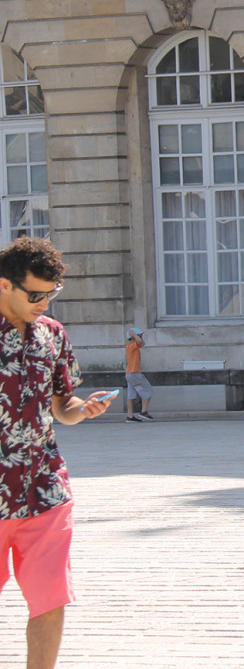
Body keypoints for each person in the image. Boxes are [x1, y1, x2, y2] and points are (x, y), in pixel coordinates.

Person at [0, 236, 113, 669]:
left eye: (52, 294)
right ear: (5, 285)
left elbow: (62, 404)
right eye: (36, 294)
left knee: (49, 599)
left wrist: (83, 410)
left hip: (45, 490)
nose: (44, 303)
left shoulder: (53, 335)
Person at [124, 327, 154, 423]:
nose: (141, 336)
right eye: (140, 335)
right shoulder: (133, 345)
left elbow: (142, 343)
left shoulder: (130, 346)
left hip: (129, 373)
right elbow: (140, 342)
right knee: (148, 391)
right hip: (134, 373)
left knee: (131, 395)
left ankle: (130, 416)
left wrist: (134, 335)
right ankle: (143, 411)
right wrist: (134, 334)